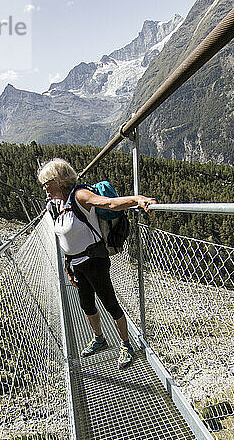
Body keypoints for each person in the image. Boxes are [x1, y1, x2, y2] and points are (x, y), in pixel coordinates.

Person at [38, 158, 156, 369]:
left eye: (47, 182)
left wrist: (137, 200)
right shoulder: (55, 205)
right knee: (86, 304)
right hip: (76, 263)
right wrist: (67, 265)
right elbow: (66, 240)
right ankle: (99, 339)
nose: (44, 187)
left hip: (94, 260)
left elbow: (109, 203)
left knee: (109, 303)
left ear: (59, 180)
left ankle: (126, 345)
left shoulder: (79, 195)